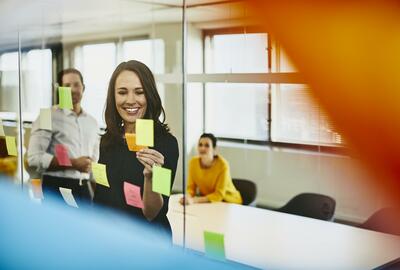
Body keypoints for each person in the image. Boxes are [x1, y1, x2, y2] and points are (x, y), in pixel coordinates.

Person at [94, 60, 179, 236]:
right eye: (122, 92)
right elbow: (101, 197)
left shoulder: (166, 145)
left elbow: (153, 213)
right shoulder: (108, 140)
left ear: (149, 96)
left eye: (139, 92)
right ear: (113, 97)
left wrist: (150, 178)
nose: (131, 100)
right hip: (110, 239)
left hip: (147, 242)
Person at [27, 68, 100, 205]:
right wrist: (74, 163)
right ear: (60, 89)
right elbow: (34, 158)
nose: (72, 89)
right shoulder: (46, 115)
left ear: (83, 88)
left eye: (76, 84)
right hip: (56, 187)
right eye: (67, 86)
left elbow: (94, 165)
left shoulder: (93, 122)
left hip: (84, 188)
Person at [180, 133, 242, 205]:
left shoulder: (223, 165)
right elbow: (191, 188)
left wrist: (194, 200)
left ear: (214, 149)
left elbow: (219, 194)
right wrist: (187, 197)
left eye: (207, 145)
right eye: (200, 145)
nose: (202, 148)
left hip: (229, 202)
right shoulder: (193, 162)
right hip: (209, 202)